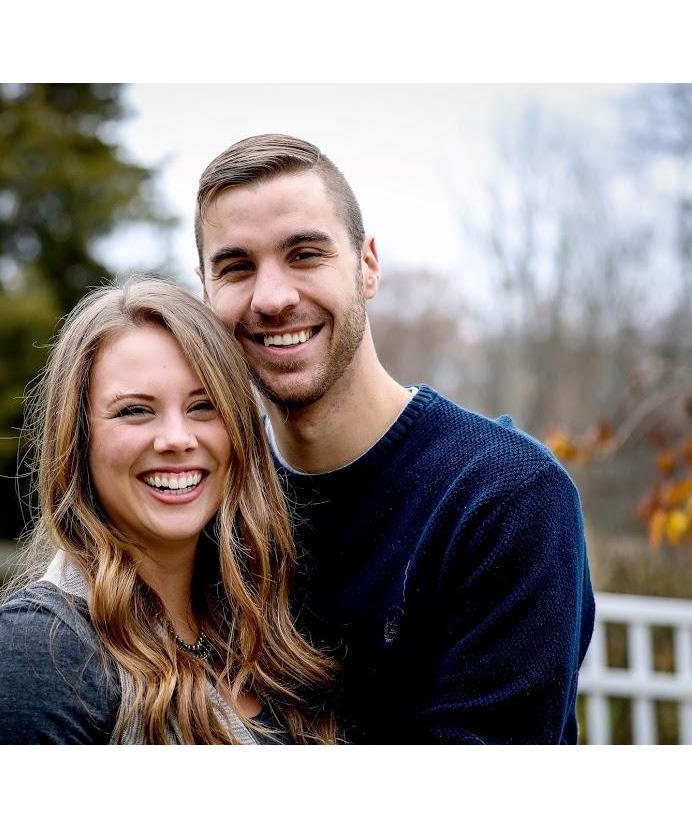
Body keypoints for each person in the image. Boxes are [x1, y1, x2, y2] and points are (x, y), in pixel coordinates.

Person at [194, 133, 596, 744]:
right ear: (206, 291)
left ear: (367, 265)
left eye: (304, 254)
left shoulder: (504, 499)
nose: (272, 298)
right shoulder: (205, 500)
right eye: (236, 267)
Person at [0, 277, 338, 744]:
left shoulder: (265, 628)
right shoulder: (38, 654)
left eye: (203, 406)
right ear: (78, 439)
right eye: (134, 411)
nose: (177, 438)